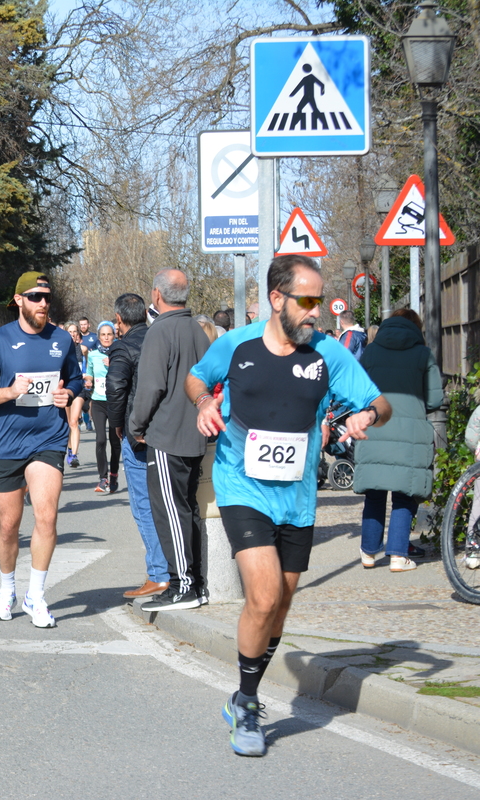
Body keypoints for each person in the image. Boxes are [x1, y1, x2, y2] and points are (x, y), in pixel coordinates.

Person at [189, 254, 391, 757]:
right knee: (261, 596)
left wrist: (367, 415)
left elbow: (381, 402)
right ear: (276, 299)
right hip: (240, 485)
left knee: (279, 605)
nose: (315, 313)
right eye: (306, 301)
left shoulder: (328, 354)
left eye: (319, 302)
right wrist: (205, 403)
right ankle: (249, 705)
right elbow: (197, 376)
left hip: (297, 498)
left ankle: (241, 692)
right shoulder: (236, 345)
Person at [0, 272, 84, 627]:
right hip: (6, 443)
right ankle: (7, 589)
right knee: (8, 526)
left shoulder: (62, 340)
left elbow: (76, 378)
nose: (43, 303)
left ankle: (37, 595)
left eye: (47, 297)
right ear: (18, 300)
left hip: (48, 438)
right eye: (35, 297)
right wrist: (9, 392)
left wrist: (70, 393)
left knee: (46, 516)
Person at [129, 270, 211, 612]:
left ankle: (183, 585)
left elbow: (150, 387)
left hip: (166, 433)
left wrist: (136, 424)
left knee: (169, 512)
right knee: (187, 509)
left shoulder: (160, 330)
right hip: (195, 431)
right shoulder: (197, 330)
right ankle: (196, 582)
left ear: (156, 296)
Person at [353, 308, 443, 572]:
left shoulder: (370, 351)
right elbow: (435, 399)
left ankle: (369, 552)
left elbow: (358, 389)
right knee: (405, 492)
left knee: (374, 492)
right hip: (411, 432)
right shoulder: (423, 354)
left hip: (375, 427)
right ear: (416, 327)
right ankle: (397, 555)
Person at [105, 293, 168, 599]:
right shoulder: (162, 336)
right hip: (170, 430)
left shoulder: (123, 345)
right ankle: (178, 568)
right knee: (172, 504)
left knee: (144, 505)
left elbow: (116, 386)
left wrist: (118, 424)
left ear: (119, 320)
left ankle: (158, 573)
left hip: (139, 433)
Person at [85, 322, 120, 493]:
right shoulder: (92, 355)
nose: (106, 338)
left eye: (109, 334)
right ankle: (102, 478)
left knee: (114, 441)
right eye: (103, 335)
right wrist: (89, 380)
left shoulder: (119, 353)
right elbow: (89, 372)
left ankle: (114, 475)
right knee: (100, 439)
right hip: (98, 401)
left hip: (114, 402)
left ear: (114, 336)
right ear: (99, 337)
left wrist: (112, 365)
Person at [64, 323, 88, 467]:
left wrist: (87, 376)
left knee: (73, 422)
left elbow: (89, 365)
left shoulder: (83, 349)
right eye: (69, 331)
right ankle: (70, 448)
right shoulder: (62, 348)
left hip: (80, 387)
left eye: (74, 331)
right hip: (67, 388)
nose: (72, 334)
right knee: (67, 423)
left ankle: (74, 455)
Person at [77, 318, 98, 431]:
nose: (83, 326)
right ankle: (78, 420)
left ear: (88, 325)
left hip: (90, 371)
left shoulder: (94, 337)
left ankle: (88, 419)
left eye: (85, 324)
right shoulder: (76, 337)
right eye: (81, 324)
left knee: (89, 398)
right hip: (79, 373)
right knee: (78, 396)